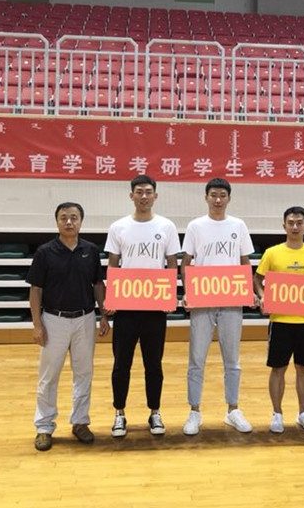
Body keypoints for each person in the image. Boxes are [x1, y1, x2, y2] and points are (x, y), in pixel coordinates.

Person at [104, 175, 180, 438]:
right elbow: (113, 264)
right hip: (126, 308)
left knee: (154, 365)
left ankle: (155, 412)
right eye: (139, 192)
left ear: (155, 196)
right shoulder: (118, 227)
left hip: (155, 308)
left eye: (148, 192)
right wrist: (111, 298)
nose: (144, 196)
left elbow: (172, 263)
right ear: (131, 196)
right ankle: (119, 413)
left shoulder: (167, 226)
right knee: (121, 364)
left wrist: (170, 295)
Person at [28, 202, 107, 452]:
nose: (69, 222)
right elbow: (36, 290)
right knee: (49, 376)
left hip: (85, 318)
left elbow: (98, 284)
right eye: (64, 218)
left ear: (81, 221)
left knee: (84, 373)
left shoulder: (91, 251)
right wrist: (37, 324)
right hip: (54, 320)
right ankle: (44, 426)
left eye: (74, 217)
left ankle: (80, 422)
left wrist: (104, 315)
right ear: (57, 222)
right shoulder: (45, 252)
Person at [180, 178, 256, 435]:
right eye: (213, 195)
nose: (217, 199)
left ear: (228, 198)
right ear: (206, 197)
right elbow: (186, 262)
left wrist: (248, 290)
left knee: (232, 359)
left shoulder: (238, 225)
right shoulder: (195, 226)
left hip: (232, 301)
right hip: (202, 301)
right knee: (196, 359)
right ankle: (194, 411)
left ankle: (233, 409)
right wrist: (188, 291)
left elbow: (245, 261)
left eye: (222, 195)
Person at [254, 206, 304, 434]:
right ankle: (277, 413)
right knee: (278, 369)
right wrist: (263, 296)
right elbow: (257, 278)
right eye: (291, 223)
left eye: (299, 223)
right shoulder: (272, 253)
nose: (295, 227)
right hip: (280, 321)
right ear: (284, 225)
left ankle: (303, 412)